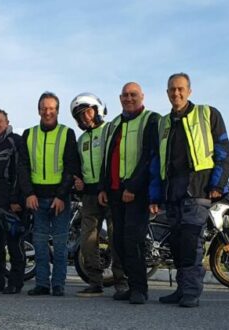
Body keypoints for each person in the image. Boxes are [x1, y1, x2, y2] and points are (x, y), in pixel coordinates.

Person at [150, 73, 229, 308]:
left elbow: (224, 152)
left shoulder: (207, 114)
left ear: (189, 91)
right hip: (172, 193)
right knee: (176, 245)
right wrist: (155, 195)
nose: (176, 93)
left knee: (190, 242)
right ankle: (181, 289)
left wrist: (217, 184)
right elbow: (157, 161)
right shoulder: (164, 123)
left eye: (180, 89)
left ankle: (191, 292)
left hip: (198, 191)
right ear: (167, 93)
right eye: (171, 90)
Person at [98, 82, 160, 304]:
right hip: (115, 192)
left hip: (137, 192)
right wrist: (104, 187)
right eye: (125, 95)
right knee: (119, 242)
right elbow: (107, 157)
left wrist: (133, 187)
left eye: (133, 94)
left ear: (142, 96)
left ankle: (139, 290)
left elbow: (150, 157)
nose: (129, 98)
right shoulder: (114, 123)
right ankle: (130, 285)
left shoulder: (151, 120)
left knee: (133, 241)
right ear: (119, 98)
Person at [19, 92, 80, 297]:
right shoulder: (29, 134)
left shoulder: (67, 133)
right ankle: (42, 284)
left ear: (57, 111)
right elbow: (22, 166)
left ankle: (58, 284)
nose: (47, 112)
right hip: (36, 198)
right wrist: (28, 193)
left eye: (51, 108)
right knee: (39, 244)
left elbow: (71, 167)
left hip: (59, 199)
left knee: (61, 244)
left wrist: (62, 196)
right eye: (44, 108)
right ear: (38, 110)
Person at [69, 94, 127, 298]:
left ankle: (122, 282)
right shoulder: (81, 140)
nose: (84, 117)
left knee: (115, 236)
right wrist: (78, 181)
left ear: (97, 108)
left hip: (112, 192)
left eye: (87, 111)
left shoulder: (110, 131)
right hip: (89, 195)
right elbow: (78, 166)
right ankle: (95, 281)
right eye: (79, 115)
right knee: (88, 239)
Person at [0, 109, 27, 294]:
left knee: (15, 245)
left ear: (7, 121)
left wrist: (17, 200)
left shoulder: (15, 141)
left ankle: (16, 282)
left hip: (11, 204)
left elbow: (21, 172)